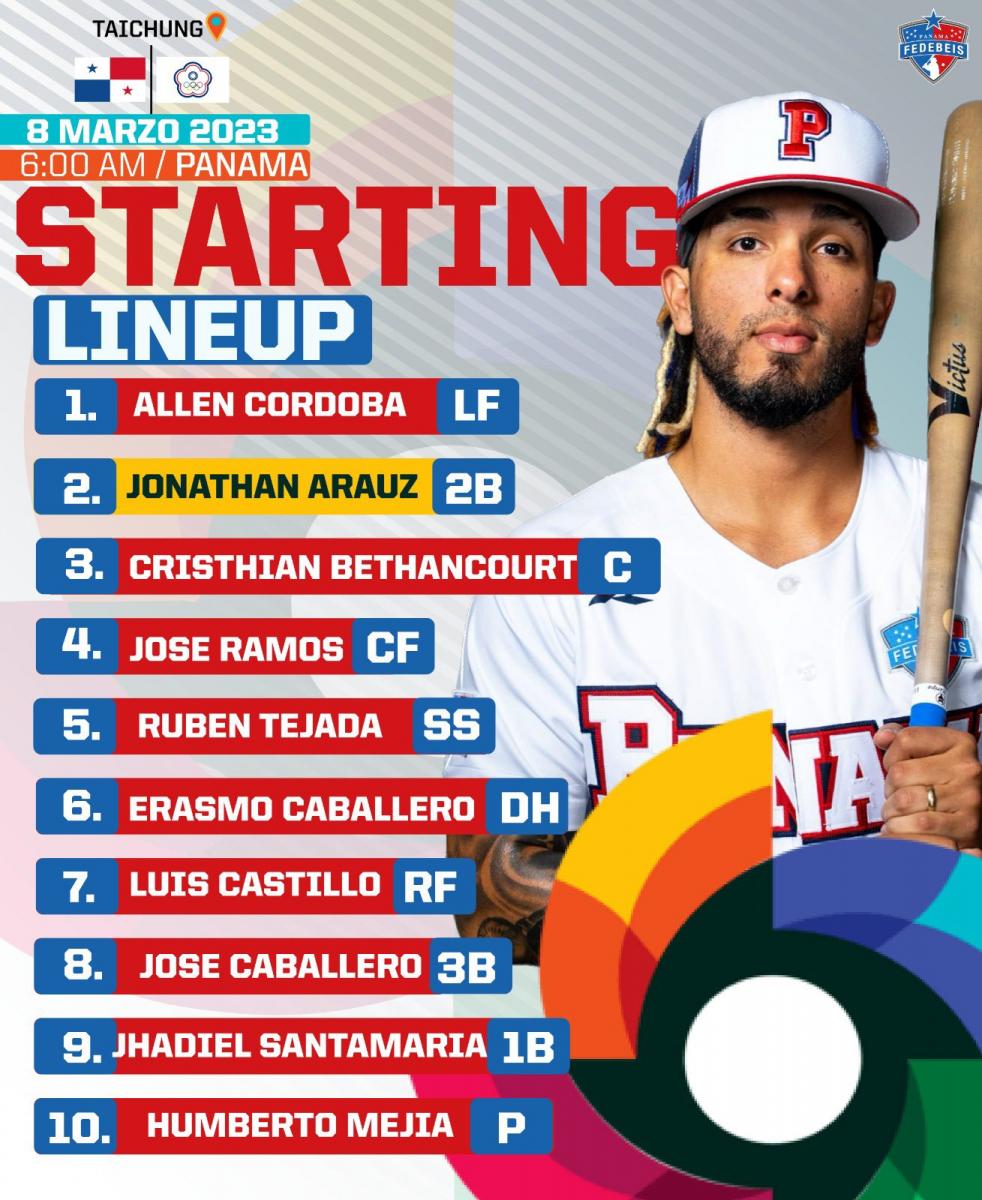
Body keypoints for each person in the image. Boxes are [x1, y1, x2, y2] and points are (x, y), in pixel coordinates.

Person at [444, 92, 982, 964]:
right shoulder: (553, 571)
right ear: (681, 297)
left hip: (941, 1080)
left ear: (878, 311)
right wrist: (835, 897)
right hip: (670, 1087)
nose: (790, 278)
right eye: (746, 240)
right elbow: (486, 899)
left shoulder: (974, 540)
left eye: (832, 246)